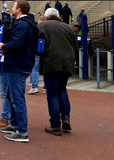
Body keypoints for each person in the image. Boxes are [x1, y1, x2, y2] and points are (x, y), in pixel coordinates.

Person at [0, 0, 38, 143]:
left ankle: (22, 132)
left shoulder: (21, 24)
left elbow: (17, 44)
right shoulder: (28, 24)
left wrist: (3, 46)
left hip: (17, 65)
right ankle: (15, 125)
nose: (12, 9)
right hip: (21, 64)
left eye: (14, 7)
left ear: (19, 10)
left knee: (17, 98)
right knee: (11, 95)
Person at [38, 8, 77, 136]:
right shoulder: (68, 28)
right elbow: (75, 47)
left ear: (47, 16)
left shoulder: (42, 26)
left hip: (51, 61)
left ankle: (55, 124)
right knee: (62, 89)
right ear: (58, 16)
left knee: (52, 92)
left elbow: (39, 47)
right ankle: (66, 117)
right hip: (67, 62)